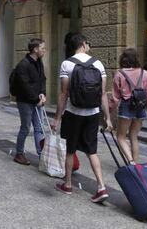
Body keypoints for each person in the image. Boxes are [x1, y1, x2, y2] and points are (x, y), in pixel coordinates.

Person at [52, 34, 113, 203]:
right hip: (93, 114)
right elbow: (102, 94)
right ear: (83, 44)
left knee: (70, 150)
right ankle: (101, 187)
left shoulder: (67, 64)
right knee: (91, 150)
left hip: (73, 112)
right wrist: (107, 118)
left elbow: (64, 93)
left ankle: (68, 184)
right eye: (88, 43)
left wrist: (57, 118)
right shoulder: (98, 64)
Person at [110, 48, 147, 164]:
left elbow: (115, 97)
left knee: (121, 136)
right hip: (141, 106)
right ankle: (136, 164)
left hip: (126, 106)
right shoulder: (144, 73)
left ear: (123, 59)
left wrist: (109, 111)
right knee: (134, 136)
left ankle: (131, 161)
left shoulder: (119, 74)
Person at [13, 38, 47, 165]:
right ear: (35, 49)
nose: (44, 50)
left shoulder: (39, 62)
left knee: (39, 128)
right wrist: (35, 99)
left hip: (37, 100)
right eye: (42, 48)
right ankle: (19, 153)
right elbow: (24, 85)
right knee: (25, 128)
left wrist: (43, 94)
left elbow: (43, 79)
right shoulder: (23, 65)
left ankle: (41, 156)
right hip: (25, 102)